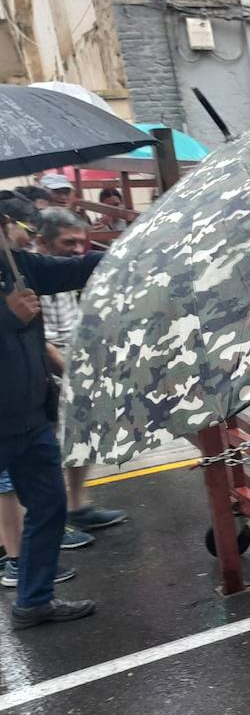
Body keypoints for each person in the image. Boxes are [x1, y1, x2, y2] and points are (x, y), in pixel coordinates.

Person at [1, 208, 101, 629]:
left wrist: (136, 248)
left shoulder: (18, 265)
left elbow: (75, 270)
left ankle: (34, 600)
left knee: (50, 506)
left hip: (28, 418)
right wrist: (7, 319)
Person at [34, 208, 127, 536]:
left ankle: (76, 507)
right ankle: (50, 523)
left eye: (80, 242)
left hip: (72, 360)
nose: (77, 248)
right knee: (43, 449)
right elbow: (39, 337)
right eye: (68, 241)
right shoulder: (32, 273)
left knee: (80, 433)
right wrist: (72, 369)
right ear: (42, 241)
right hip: (48, 368)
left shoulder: (63, 271)